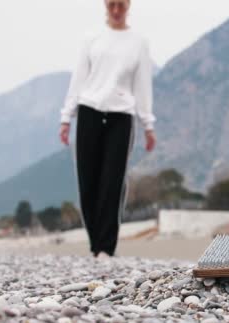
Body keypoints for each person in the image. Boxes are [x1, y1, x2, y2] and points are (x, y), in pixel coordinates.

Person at [58, 0, 156, 259]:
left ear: (128, 6)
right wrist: (66, 118)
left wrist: (148, 124)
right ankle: (95, 243)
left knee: (113, 181)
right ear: (105, 5)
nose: (116, 10)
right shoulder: (92, 38)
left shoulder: (138, 42)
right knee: (88, 180)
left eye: (121, 5)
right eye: (112, 5)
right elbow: (78, 78)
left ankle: (106, 247)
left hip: (121, 116)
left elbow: (143, 84)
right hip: (89, 110)